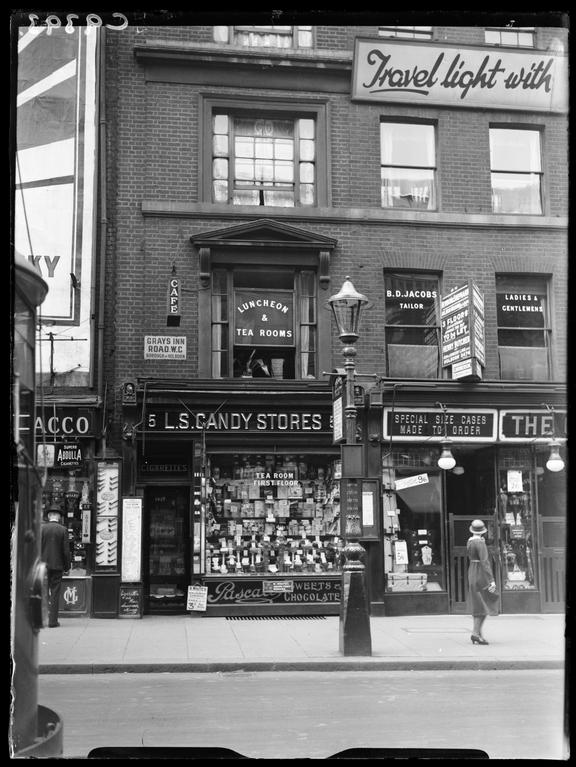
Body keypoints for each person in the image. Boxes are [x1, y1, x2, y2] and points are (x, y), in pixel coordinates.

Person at [467, 519, 498, 645]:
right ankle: (475, 633)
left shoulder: (470, 541)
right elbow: (485, 562)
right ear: (483, 531)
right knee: (485, 605)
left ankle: (478, 634)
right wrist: (492, 580)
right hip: (481, 574)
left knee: (478, 605)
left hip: (472, 572)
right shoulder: (480, 543)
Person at [41, 508, 71, 627]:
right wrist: (67, 566)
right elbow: (66, 551)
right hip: (57, 565)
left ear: (49, 516)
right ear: (58, 517)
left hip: (43, 565)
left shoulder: (42, 529)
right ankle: (52, 621)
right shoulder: (63, 530)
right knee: (55, 593)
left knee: (44, 592)